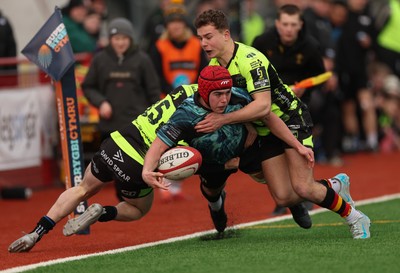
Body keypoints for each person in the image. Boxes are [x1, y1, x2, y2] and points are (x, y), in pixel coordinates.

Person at [194, 9, 371, 239]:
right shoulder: (213, 69)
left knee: (303, 188)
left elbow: (263, 107)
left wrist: (223, 120)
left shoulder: (251, 60)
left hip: (290, 119)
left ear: (226, 34)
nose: (204, 43)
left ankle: (356, 218)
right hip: (263, 128)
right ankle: (334, 185)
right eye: (200, 38)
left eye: (208, 36)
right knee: (283, 197)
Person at [8, 81, 196, 253]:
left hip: (117, 142)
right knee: (139, 209)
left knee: (82, 189)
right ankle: (102, 212)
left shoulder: (184, 89)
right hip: (138, 163)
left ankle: (36, 232)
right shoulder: (199, 116)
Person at [142, 66, 315, 233]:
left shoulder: (239, 96)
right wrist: (147, 170)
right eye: (217, 94)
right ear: (204, 93)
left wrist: (297, 145)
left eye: (227, 93)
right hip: (212, 160)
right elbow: (159, 144)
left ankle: (294, 204)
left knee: (266, 174)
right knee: (212, 191)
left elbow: (268, 117)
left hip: (245, 147)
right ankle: (216, 207)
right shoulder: (185, 114)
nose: (224, 99)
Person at [252, 4, 326, 215]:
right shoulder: (261, 42)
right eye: (285, 24)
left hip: (299, 106)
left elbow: (321, 77)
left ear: (300, 25)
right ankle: (287, 197)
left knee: (298, 148)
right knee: (275, 149)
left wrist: (304, 89)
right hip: (268, 104)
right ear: (277, 24)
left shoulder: (310, 46)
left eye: (293, 25)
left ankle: (307, 189)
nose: (289, 29)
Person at [82, 18, 162, 200]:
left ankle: (130, 201)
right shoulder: (100, 60)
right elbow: (88, 86)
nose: (120, 42)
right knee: (105, 170)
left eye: (124, 38)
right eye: (116, 38)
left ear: (130, 39)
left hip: (136, 127)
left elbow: (154, 92)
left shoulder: (142, 59)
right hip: (109, 125)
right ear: (110, 39)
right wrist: (101, 102)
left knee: (132, 172)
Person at [149, 2, 208, 201]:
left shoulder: (196, 45)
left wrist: (191, 92)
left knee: (185, 141)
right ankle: (163, 184)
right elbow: (155, 74)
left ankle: (176, 184)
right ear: (167, 26)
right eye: (171, 23)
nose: (175, 27)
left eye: (178, 23)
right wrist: (172, 92)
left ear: (184, 25)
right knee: (165, 142)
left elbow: (202, 71)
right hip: (166, 99)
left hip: (191, 98)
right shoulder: (159, 46)